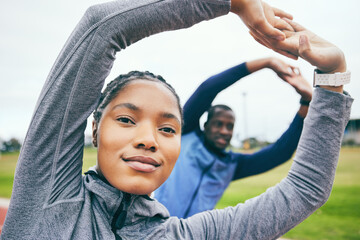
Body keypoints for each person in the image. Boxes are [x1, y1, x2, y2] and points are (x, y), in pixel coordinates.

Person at [0, 1, 352, 240]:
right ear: (94, 129)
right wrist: (230, 3)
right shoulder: (48, 197)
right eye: (126, 119)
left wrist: (332, 76)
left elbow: (303, 190)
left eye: (168, 129)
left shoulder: (181, 233)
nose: (149, 139)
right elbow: (99, 28)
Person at [154, 57, 313, 218]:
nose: (224, 131)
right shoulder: (185, 135)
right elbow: (207, 90)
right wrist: (267, 63)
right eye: (218, 124)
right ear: (205, 125)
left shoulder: (231, 165)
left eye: (230, 126)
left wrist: (306, 102)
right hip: (156, 228)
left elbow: (280, 152)